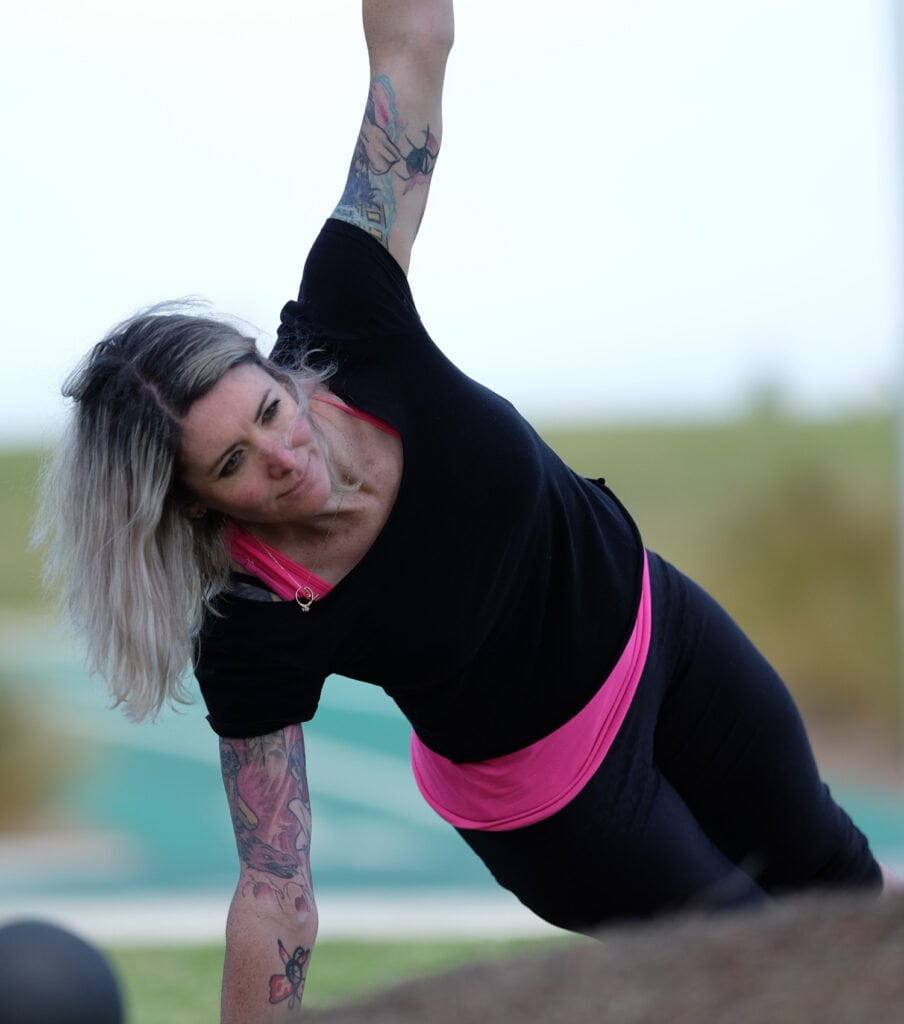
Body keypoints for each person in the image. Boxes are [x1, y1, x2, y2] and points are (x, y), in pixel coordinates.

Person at [36, 1, 888, 1020]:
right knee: (760, 964)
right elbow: (275, 887)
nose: (285, 455)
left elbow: (412, 48)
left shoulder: (352, 314)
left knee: (838, 885)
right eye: (235, 462)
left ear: (276, 369)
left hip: (663, 633)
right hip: (560, 796)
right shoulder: (254, 622)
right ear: (194, 505)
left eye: (270, 408)